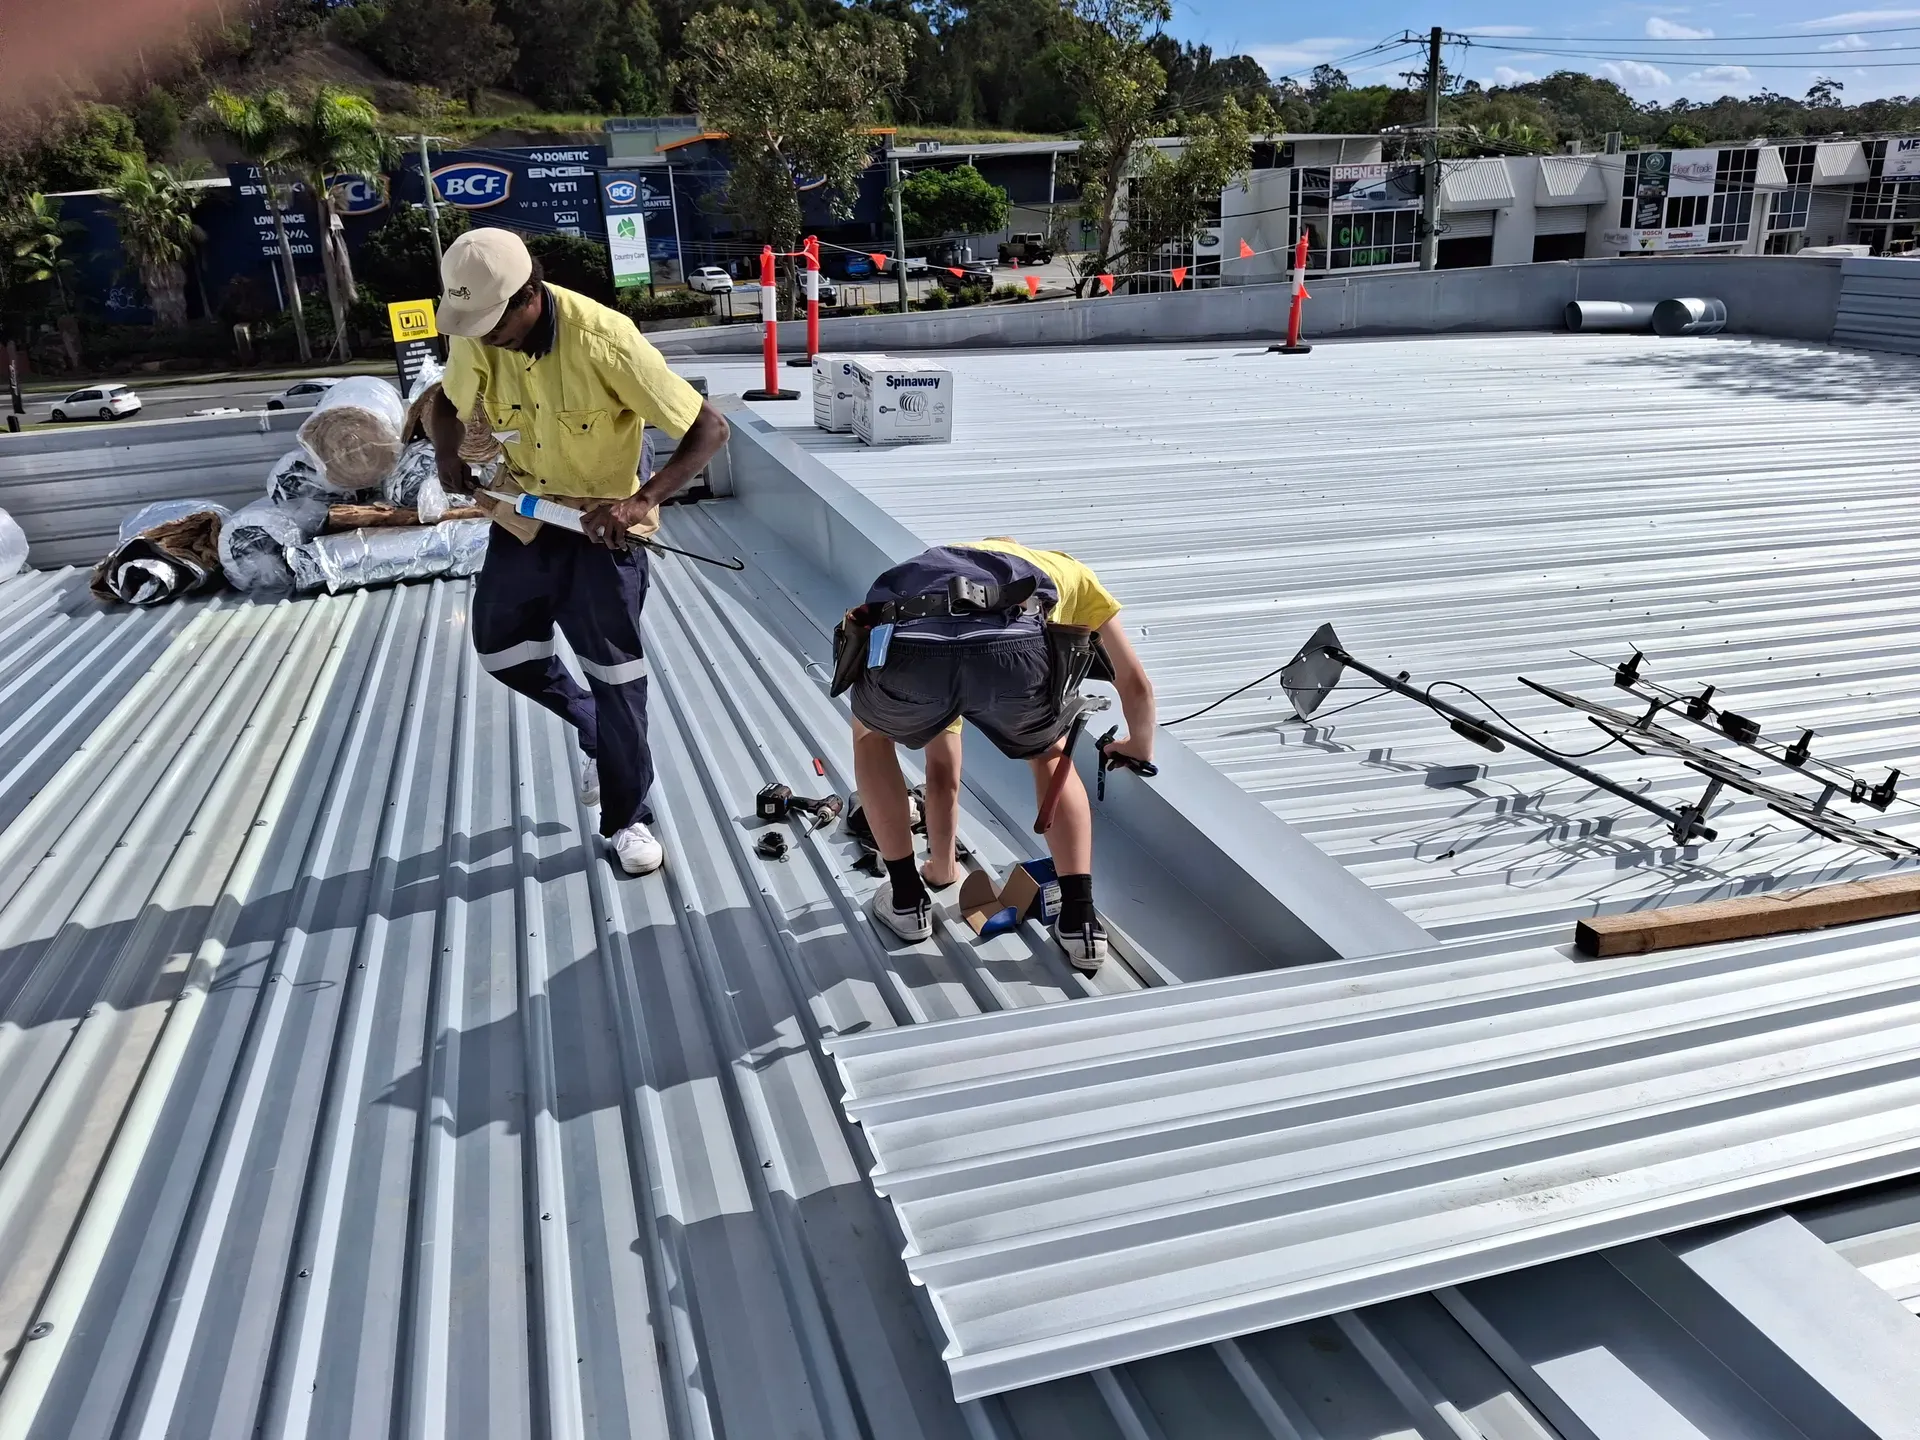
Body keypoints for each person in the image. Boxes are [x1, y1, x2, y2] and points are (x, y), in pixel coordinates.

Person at [426, 227, 730, 875]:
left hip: (601, 525)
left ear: (529, 294)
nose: (483, 337)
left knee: (617, 677)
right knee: (501, 648)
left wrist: (640, 501)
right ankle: (595, 732)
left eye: (492, 323)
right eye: (472, 325)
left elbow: (709, 428)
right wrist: (446, 451)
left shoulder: (606, 340)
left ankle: (629, 817)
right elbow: (447, 405)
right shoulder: (477, 332)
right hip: (526, 511)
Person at [845, 539, 1155, 970]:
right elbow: (1133, 682)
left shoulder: (936, 570)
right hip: (1015, 651)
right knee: (1049, 753)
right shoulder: (1074, 576)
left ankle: (907, 900)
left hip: (913, 645)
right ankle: (1080, 922)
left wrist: (944, 866)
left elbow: (942, 774)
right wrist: (1138, 746)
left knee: (872, 737)